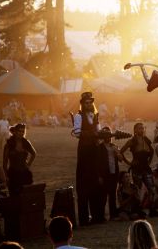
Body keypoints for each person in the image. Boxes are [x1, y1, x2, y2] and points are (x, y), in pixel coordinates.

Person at [71, 92, 103, 225]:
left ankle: (97, 216)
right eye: (86, 102)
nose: (89, 104)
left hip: (95, 151)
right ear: (82, 104)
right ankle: (84, 218)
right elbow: (77, 132)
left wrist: (101, 135)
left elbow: (99, 132)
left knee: (95, 182)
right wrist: (93, 133)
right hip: (84, 151)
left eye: (90, 102)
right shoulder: (78, 116)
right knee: (84, 184)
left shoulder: (95, 115)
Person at [120, 123, 158, 217]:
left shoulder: (146, 140)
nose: (141, 130)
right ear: (135, 130)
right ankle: (137, 210)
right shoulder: (132, 141)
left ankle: (152, 210)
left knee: (152, 189)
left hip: (146, 168)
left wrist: (149, 162)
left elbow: (152, 151)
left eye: (142, 128)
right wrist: (128, 163)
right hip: (137, 168)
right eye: (139, 128)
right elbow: (121, 151)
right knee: (137, 190)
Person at [3, 123, 36, 195]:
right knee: (14, 195)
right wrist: (6, 176)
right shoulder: (9, 144)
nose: (21, 133)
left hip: (25, 173)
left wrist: (28, 164)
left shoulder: (26, 142)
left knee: (27, 195)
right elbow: (5, 162)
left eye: (23, 131)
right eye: (19, 131)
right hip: (13, 173)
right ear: (14, 132)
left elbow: (34, 153)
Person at [97, 126, 120, 220]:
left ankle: (113, 215)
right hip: (104, 174)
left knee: (112, 195)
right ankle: (101, 216)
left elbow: (121, 159)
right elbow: (97, 163)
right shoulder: (99, 147)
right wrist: (99, 176)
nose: (108, 137)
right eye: (106, 135)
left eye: (109, 134)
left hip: (113, 173)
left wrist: (117, 153)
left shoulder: (114, 146)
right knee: (103, 196)